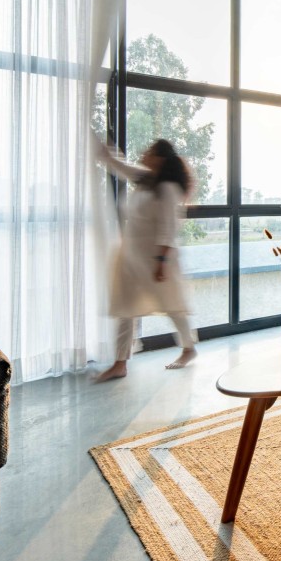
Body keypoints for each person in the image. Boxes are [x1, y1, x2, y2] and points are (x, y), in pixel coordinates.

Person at [94, 138, 198, 380]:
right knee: (125, 308)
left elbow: (168, 229)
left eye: (149, 151)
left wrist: (161, 263)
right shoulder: (144, 179)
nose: (144, 154)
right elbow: (117, 164)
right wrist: (100, 148)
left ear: (160, 159)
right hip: (132, 256)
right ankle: (120, 363)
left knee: (172, 306)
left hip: (157, 259)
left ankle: (189, 348)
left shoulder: (168, 189)